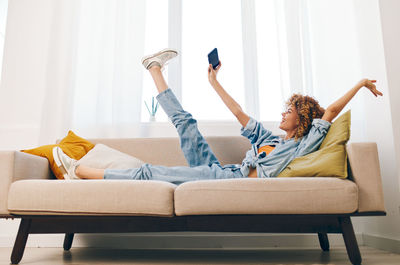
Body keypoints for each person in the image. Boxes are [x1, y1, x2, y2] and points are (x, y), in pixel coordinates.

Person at [53, 48, 383, 184]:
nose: (283, 113)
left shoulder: (304, 145)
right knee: (187, 123)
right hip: (222, 168)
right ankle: (154, 69)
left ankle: (79, 171)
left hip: (233, 180)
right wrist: (214, 82)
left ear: (304, 117)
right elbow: (239, 112)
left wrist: (360, 83)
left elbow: (332, 111)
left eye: (289, 110)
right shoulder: (269, 138)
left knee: (150, 171)